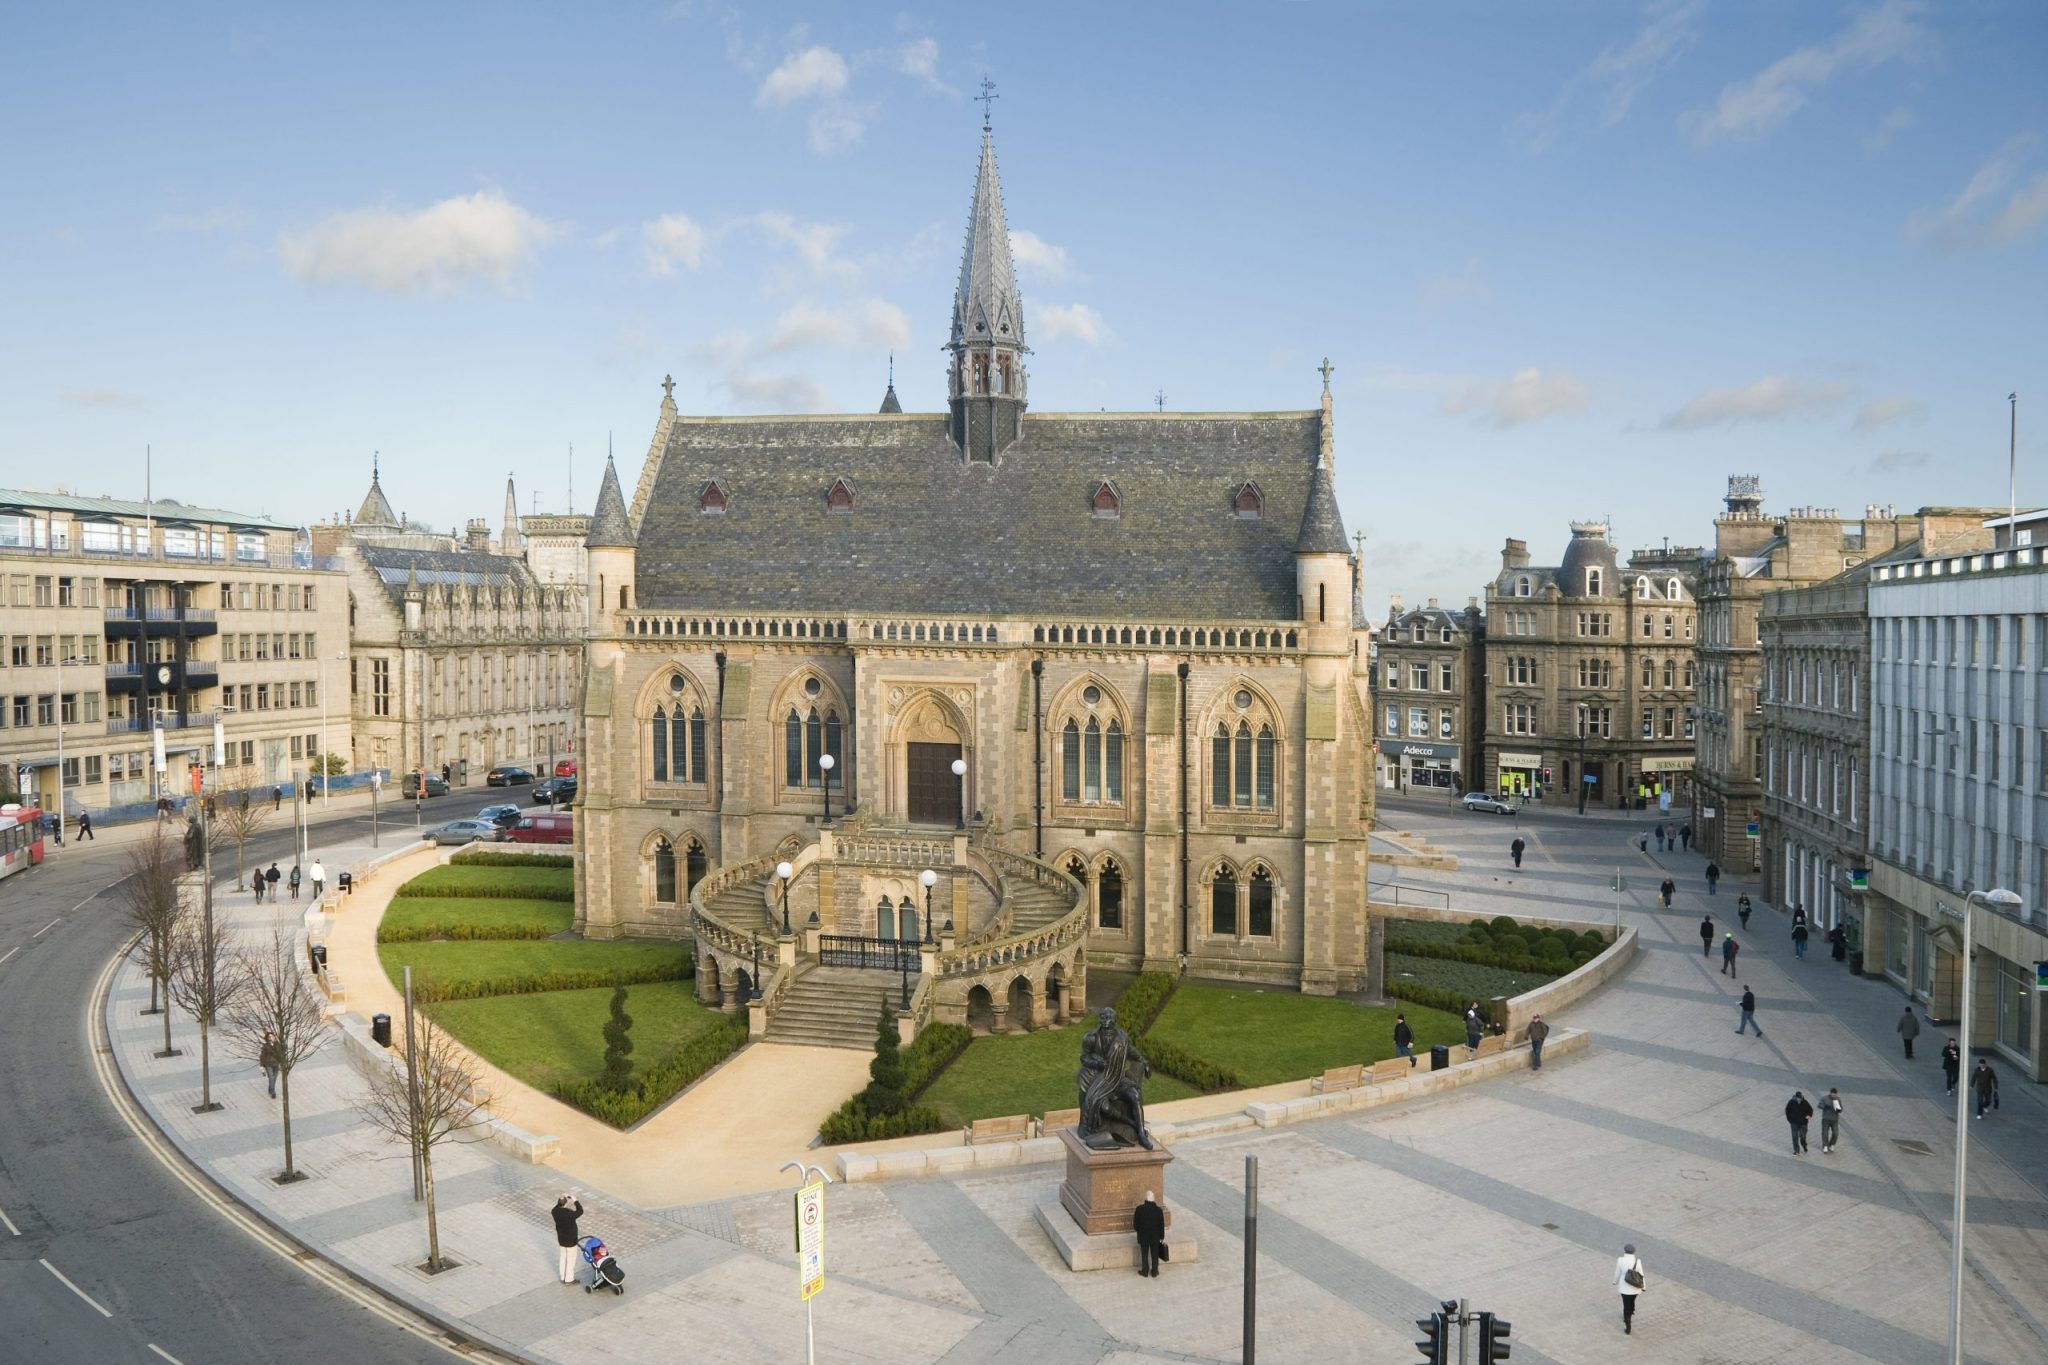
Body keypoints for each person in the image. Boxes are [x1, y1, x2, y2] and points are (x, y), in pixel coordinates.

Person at [1132, 1191, 1166, 1278]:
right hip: (1155, 1237)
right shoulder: (1158, 1210)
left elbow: (1135, 1224)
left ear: (1146, 1199)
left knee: (1144, 1253)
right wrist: (1162, 1236)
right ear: (1153, 1199)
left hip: (1143, 1236)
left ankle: (1145, 1271)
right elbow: (1161, 1225)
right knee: (1155, 1254)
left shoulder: (1139, 1209)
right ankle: (1155, 1271)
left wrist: (1139, 1231)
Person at [551, 1194, 584, 1283]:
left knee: (563, 1257)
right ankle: (569, 1279)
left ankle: (563, 1276)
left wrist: (562, 1199)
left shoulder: (554, 1211)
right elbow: (580, 1211)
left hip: (561, 1239)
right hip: (571, 1240)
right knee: (571, 1259)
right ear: (565, 1204)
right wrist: (575, 1200)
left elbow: (557, 1207)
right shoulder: (569, 1214)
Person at [1614, 1243, 1645, 1334]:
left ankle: (1628, 1322)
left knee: (1626, 1304)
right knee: (1632, 1301)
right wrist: (1644, 1286)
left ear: (1625, 1251)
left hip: (1624, 1287)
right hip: (1635, 1288)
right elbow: (1641, 1274)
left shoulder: (1620, 1260)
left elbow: (1617, 1272)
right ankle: (1631, 1311)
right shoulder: (1637, 1261)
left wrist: (1614, 1281)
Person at [1785, 1090, 1813, 1154]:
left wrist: (1809, 1115)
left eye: (1800, 1098)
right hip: (1794, 1123)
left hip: (1803, 1123)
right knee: (1794, 1137)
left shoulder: (1805, 1103)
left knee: (1802, 1137)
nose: (1799, 1100)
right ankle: (1796, 1151)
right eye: (1798, 1098)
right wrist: (1790, 1120)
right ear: (1796, 1097)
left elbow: (1810, 1110)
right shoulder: (1791, 1102)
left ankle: (1804, 1145)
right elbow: (1787, 1111)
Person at [1818, 1088, 1843, 1154]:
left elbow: (1841, 1108)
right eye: (1832, 1094)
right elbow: (1819, 1105)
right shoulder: (1824, 1098)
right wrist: (1825, 1106)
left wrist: (1839, 1110)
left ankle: (1832, 1144)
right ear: (1830, 1093)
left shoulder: (1838, 1099)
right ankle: (1825, 1146)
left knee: (1836, 1133)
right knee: (1825, 1133)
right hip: (1826, 1119)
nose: (1834, 1096)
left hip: (1835, 1119)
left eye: (1835, 1095)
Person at [259, 1031, 280, 1099]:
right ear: (267, 1038)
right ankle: (273, 1092)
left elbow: (280, 1053)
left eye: (272, 1036)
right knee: (271, 1078)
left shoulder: (277, 1044)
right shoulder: (266, 1046)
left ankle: (270, 1089)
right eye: (270, 1037)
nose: (271, 1038)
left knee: (274, 1078)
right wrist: (261, 1065)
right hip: (268, 1064)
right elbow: (262, 1056)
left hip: (276, 1064)